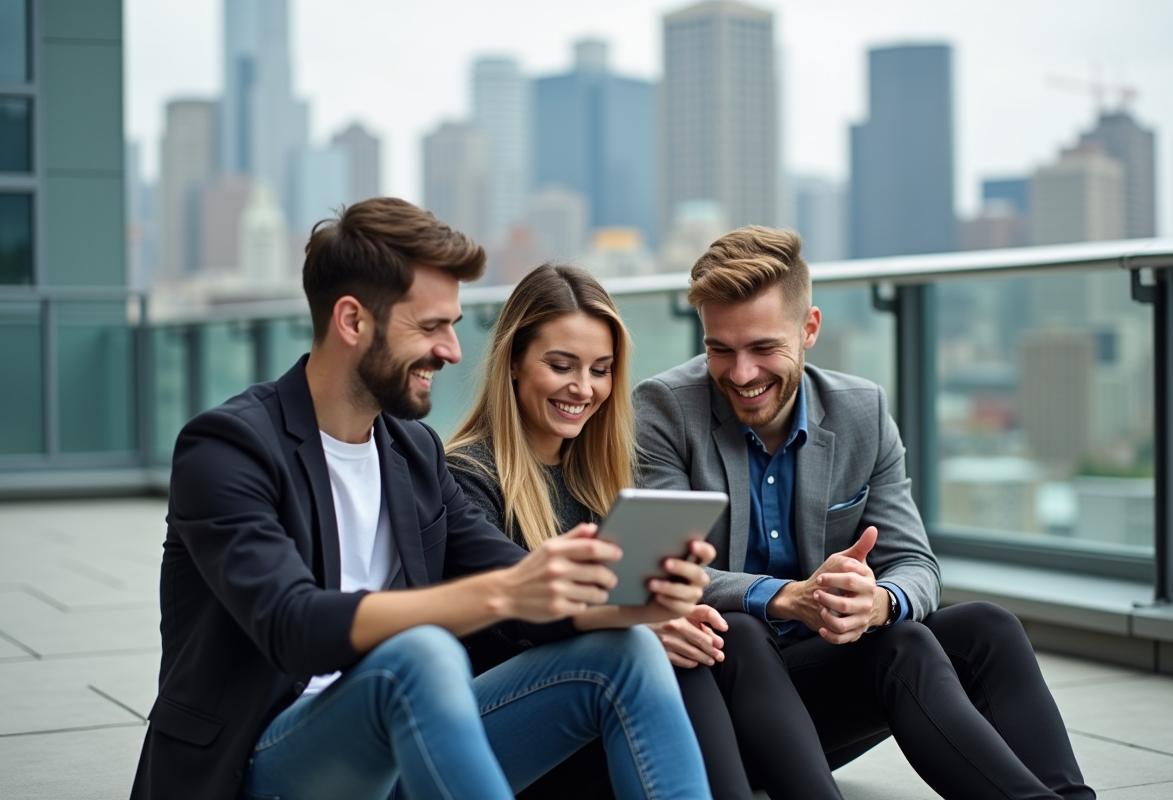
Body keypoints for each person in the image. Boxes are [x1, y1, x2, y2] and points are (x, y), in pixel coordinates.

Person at [130, 198, 717, 800]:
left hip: (404, 746)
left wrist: (636, 606)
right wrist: (505, 592)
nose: (453, 351)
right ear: (353, 321)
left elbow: (517, 582)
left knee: (627, 654)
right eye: (430, 327)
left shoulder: (413, 453)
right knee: (422, 654)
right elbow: (291, 624)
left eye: (454, 325)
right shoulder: (227, 447)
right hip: (260, 767)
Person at [632, 225, 1096, 800]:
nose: (741, 374)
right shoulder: (663, 410)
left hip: (819, 692)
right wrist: (782, 596)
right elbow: (661, 574)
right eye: (719, 349)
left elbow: (915, 563)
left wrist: (880, 602)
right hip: (724, 699)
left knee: (986, 627)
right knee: (897, 646)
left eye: (763, 348)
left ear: (809, 330)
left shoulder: (863, 412)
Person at [445, 263, 757, 799]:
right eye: (562, 365)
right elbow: (514, 620)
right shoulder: (464, 477)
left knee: (725, 635)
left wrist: (669, 613)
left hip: (606, 704)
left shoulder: (601, 482)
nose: (583, 389)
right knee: (653, 649)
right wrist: (637, 625)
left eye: (601, 369)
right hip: (512, 726)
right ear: (514, 361)